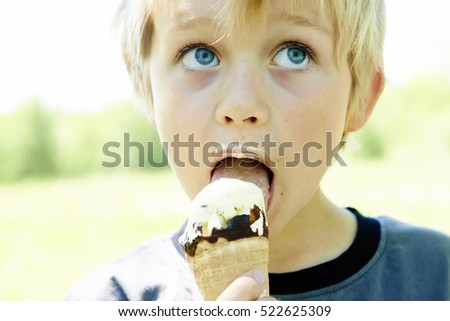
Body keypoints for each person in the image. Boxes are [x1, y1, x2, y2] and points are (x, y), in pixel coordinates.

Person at [66, 0, 450, 300]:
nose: (242, 105)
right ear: (149, 93)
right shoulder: (109, 301)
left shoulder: (434, 279)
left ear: (361, 95)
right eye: (200, 54)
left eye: (293, 53)